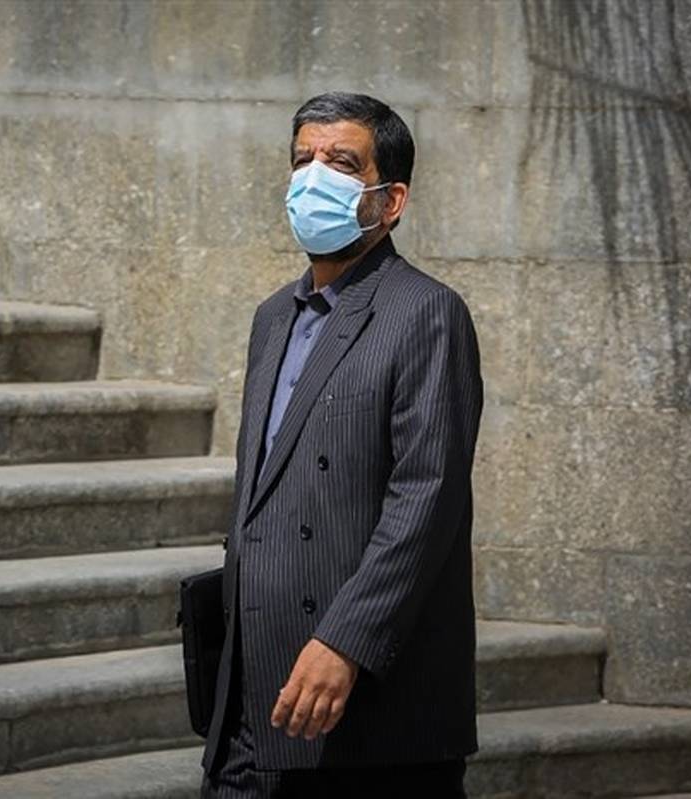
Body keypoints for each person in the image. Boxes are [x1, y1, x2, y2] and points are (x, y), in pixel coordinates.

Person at [198, 91, 485, 798]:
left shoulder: (425, 312)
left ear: (390, 202)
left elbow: (426, 499)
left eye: (342, 163)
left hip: (363, 709)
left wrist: (346, 640)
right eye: (303, 161)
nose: (313, 178)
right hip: (251, 695)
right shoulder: (273, 318)